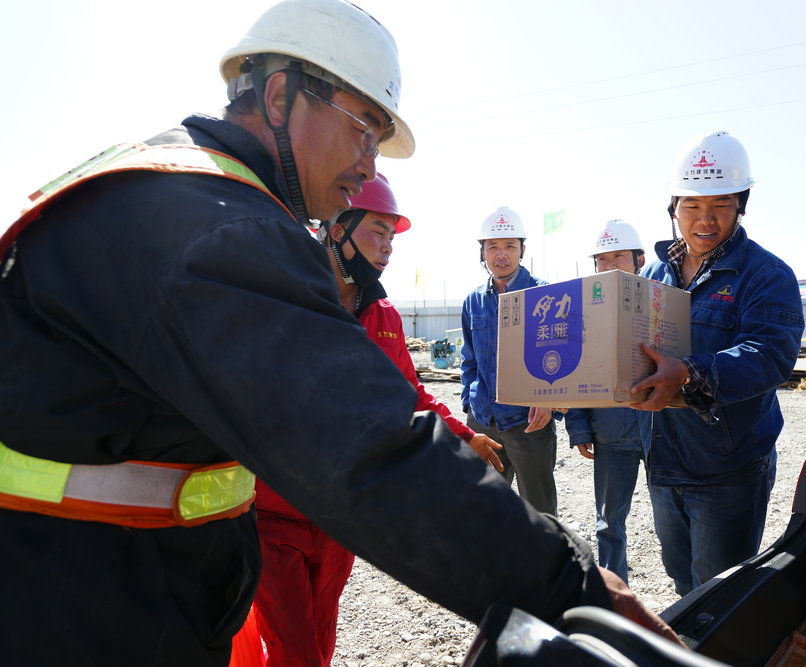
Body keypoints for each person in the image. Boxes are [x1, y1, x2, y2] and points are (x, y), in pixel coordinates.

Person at [0, 1, 679, 664]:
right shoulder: (221, 229)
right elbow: (369, 451)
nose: (370, 166)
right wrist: (574, 588)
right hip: (76, 607)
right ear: (279, 97)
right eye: (364, 131)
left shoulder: (175, 189)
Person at [253, 174, 503, 665]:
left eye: (392, 236)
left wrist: (463, 436)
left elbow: (408, 391)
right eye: (377, 231)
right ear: (336, 231)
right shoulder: (283, 295)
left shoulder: (384, 314)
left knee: (321, 630)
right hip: (274, 510)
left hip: (340, 510)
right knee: (294, 646)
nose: (388, 247)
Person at [630, 130, 805, 597]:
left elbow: (770, 355)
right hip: (663, 459)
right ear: (673, 207)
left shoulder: (766, 275)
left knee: (719, 593)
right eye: (691, 205)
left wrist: (689, 372)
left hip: (727, 469)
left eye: (720, 204)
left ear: (741, 205)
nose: (705, 219)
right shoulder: (653, 275)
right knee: (681, 583)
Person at [564, 219, 649, 584]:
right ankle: (615, 593)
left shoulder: (662, 300)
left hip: (661, 431)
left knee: (674, 517)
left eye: (619, 257)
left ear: (639, 260)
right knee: (609, 521)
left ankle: (691, 596)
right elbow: (573, 370)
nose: (610, 266)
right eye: (602, 259)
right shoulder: (583, 310)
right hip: (611, 433)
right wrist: (579, 427)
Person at [461, 207, 561, 516]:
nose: (501, 254)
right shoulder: (473, 300)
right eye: (493, 246)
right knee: (484, 508)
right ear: (482, 252)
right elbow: (469, 360)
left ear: (522, 250)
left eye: (509, 246)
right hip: (483, 421)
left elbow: (561, 359)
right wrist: (469, 404)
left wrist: (550, 403)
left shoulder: (545, 295)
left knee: (539, 511)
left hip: (528, 421)